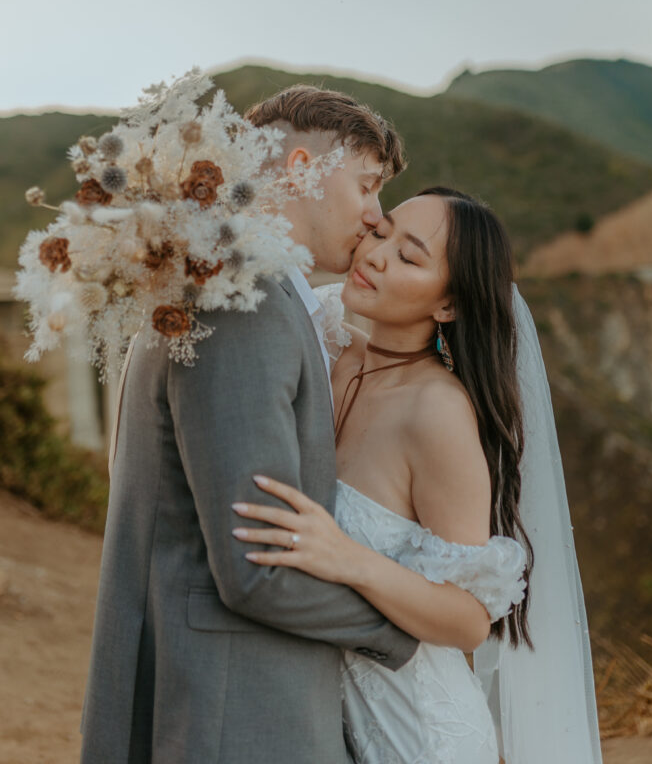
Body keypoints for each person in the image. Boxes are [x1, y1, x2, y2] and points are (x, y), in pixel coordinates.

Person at [80, 86, 420, 764]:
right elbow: (255, 569)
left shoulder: (232, 288)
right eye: (366, 186)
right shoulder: (245, 308)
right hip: (232, 716)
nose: (376, 218)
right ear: (298, 170)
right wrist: (404, 628)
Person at [234, 187, 603, 763]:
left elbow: (466, 621)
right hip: (321, 721)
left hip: (419, 739)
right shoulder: (329, 347)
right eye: (381, 234)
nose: (376, 256)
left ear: (448, 306)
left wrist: (348, 558)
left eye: (409, 257)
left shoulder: (436, 413)